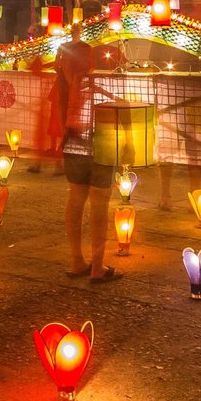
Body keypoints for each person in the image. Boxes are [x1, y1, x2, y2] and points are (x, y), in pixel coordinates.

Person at [51, 35, 116, 282]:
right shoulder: (93, 82)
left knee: (76, 199)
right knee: (100, 203)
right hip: (100, 145)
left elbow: (59, 116)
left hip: (73, 144)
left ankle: (76, 260)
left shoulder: (62, 82)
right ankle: (98, 267)